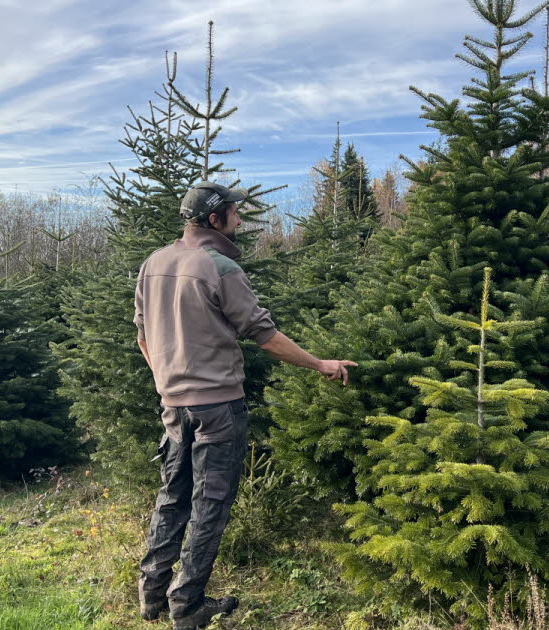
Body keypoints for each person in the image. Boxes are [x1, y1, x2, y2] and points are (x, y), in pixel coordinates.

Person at [134, 182, 357, 628]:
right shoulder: (219, 267)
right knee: (209, 503)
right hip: (217, 407)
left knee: (172, 496)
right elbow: (266, 337)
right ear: (215, 219)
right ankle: (188, 606)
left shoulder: (153, 262)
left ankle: (152, 592)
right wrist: (320, 364)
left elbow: (142, 335)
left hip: (173, 405)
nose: (240, 220)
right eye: (234, 213)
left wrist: (166, 380)